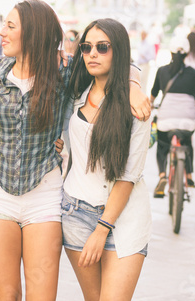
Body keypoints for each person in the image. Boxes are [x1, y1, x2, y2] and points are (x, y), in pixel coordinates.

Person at [0, 0, 150, 300]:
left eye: (10, 25)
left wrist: (133, 85)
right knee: (5, 294)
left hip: (44, 193)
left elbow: (117, 63)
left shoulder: (65, 71)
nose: (1, 32)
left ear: (32, 33)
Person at [61, 18, 151, 301]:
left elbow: (129, 175)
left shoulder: (135, 105)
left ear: (119, 51)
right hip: (75, 212)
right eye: (86, 47)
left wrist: (103, 228)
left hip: (125, 218)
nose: (92, 54)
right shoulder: (75, 94)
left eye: (102, 47)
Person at [151, 36, 195, 198]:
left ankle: (162, 175)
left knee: (162, 145)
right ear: (186, 53)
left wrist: (151, 105)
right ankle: (188, 175)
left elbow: (152, 95)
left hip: (166, 119)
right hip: (188, 120)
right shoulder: (194, 73)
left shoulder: (161, 71)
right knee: (187, 142)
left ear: (171, 52)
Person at [136, 30, 156, 94]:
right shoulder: (139, 43)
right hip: (139, 64)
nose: (142, 36)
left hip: (145, 64)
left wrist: (144, 56)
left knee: (143, 82)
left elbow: (153, 56)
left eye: (144, 35)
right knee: (138, 82)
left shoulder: (149, 44)